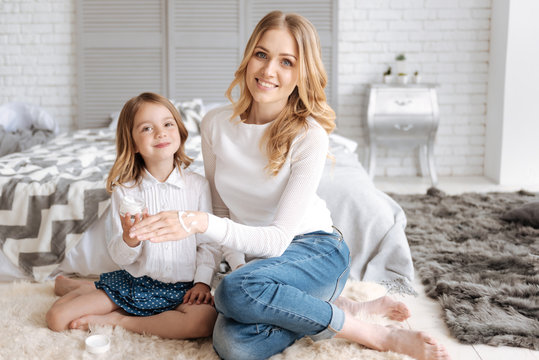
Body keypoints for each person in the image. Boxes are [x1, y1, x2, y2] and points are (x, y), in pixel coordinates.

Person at [127, 11, 450, 360]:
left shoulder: (308, 135)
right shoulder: (215, 124)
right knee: (233, 345)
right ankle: (338, 308)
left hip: (316, 252)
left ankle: (375, 334)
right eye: (262, 55)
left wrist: (198, 223)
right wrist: (239, 266)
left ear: (301, 72)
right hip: (261, 267)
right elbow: (223, 213)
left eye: (286, 61)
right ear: (249, 56)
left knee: (231, 293)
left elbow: (275, 238)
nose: (268, 71)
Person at [46, 92, 228, 339]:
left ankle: (118, 319)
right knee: (56, 319)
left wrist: (202, 282)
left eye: (167, 124)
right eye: (146, 128)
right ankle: (82, 287)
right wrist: (130, 240)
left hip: (185, 289)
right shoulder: (126, 191)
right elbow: (119, 254)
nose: (160, 133)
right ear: (132, 143)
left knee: (203, 323)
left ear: (180, 132)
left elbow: (209, 243)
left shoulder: (198, 185)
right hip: (137, 284)